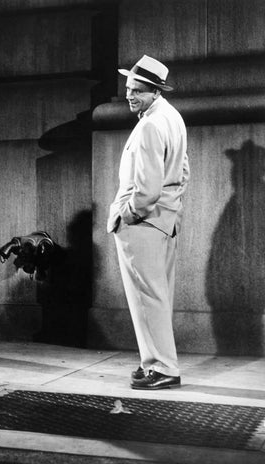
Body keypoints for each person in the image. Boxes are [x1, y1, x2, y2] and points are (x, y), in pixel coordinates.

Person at [107, 55, 190, 390]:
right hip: (164, 221)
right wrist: (172, 209)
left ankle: (162, 367)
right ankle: (153, 362)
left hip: (144, 223)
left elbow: (146, 189)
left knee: (147, 297)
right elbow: (183, 172)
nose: (130, 95)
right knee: (156, 296)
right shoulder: (172, 117)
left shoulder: (151, 125)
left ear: (155, 91)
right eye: (128, 88)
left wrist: (127, 214)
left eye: (138, 91)